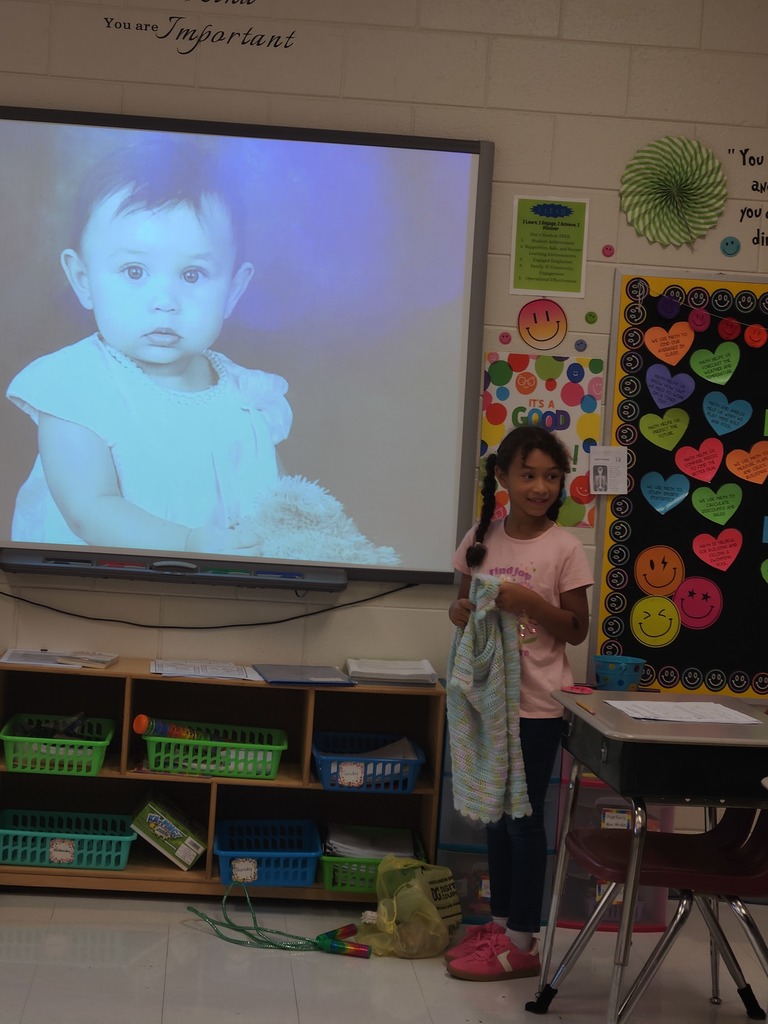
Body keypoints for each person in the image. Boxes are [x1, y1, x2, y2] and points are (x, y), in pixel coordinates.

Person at [7, 136, 292, 554]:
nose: (164, 302)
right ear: (84, 280)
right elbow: (89, 509)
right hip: (89, 595)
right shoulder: (74, 386)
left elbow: (281, 507)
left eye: (192, 275)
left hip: (220, 600)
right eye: (135, 271)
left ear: (233, 290)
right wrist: (189, 544)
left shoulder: (248, 397)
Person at [445, 425, 593, 982]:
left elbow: (576, 630)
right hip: (489, 706)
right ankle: (503, 924)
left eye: (551, 476)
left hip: (537, 708)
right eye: (528, 475)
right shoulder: (481, 536)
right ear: (503, 477)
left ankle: (523, 944)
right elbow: (459, 607)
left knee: (524, 823)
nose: (540, 487)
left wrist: (528, 601)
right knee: (495, 817)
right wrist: (460, 613)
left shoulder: (564, 548)